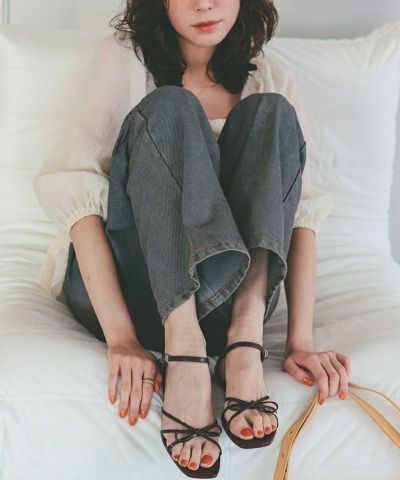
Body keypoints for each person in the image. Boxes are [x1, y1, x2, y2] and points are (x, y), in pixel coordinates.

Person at [33, 0, 351, 477]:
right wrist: (122, 339)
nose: (204, 3)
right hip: (132, 288)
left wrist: (299, 340)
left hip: (231, 307)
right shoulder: (125, 59)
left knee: (273, 112)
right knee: (172, 106)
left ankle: (243, 347)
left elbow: (299, 217)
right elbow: (79, 199)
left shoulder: (270, 76)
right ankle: (185, 353)